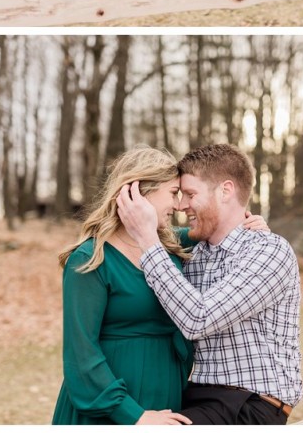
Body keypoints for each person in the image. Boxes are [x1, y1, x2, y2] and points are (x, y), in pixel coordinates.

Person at [118, 143, 301, 425]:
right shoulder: (194, 254)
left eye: (190, 194)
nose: (181, 206)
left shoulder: (269, 251)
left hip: (251, 404)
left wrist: (147, 238)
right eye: (179, 195)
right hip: (196, 396)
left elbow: (197, 319)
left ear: (226, 190)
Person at [52, 147, 196, 426]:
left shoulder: (167, 249)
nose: (178, 206)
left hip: (166, 396)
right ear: (138, 192)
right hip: (112, 410)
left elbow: (203, 231)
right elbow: (81, 355)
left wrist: (245, 224)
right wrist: (134, 415)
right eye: (173, 193)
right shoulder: (91, 260)